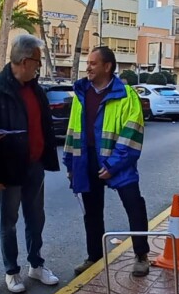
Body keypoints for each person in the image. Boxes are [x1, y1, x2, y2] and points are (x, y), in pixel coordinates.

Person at [0, 34, 61, 294]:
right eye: (37, 62)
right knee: (9, 221)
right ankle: (12, 271)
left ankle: (36, 265)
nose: (39, 67)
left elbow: (44, 126)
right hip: (9, 168)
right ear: (25, 61)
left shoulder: (35, 88)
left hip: (34, 165)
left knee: (36, 217)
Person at [64, 46, 150, 277]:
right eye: (87, 63)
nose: (88, 67)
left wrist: (113, 165)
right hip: (87, 159)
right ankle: (94, 256)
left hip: (118, 162)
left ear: (107, 66)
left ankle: (141, 255)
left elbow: (132, 133)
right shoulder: (81, 93)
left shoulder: (126, 95)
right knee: (91, 211)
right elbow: (73, 131)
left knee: (134, 205)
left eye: (93, 63)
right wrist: (71, 164)